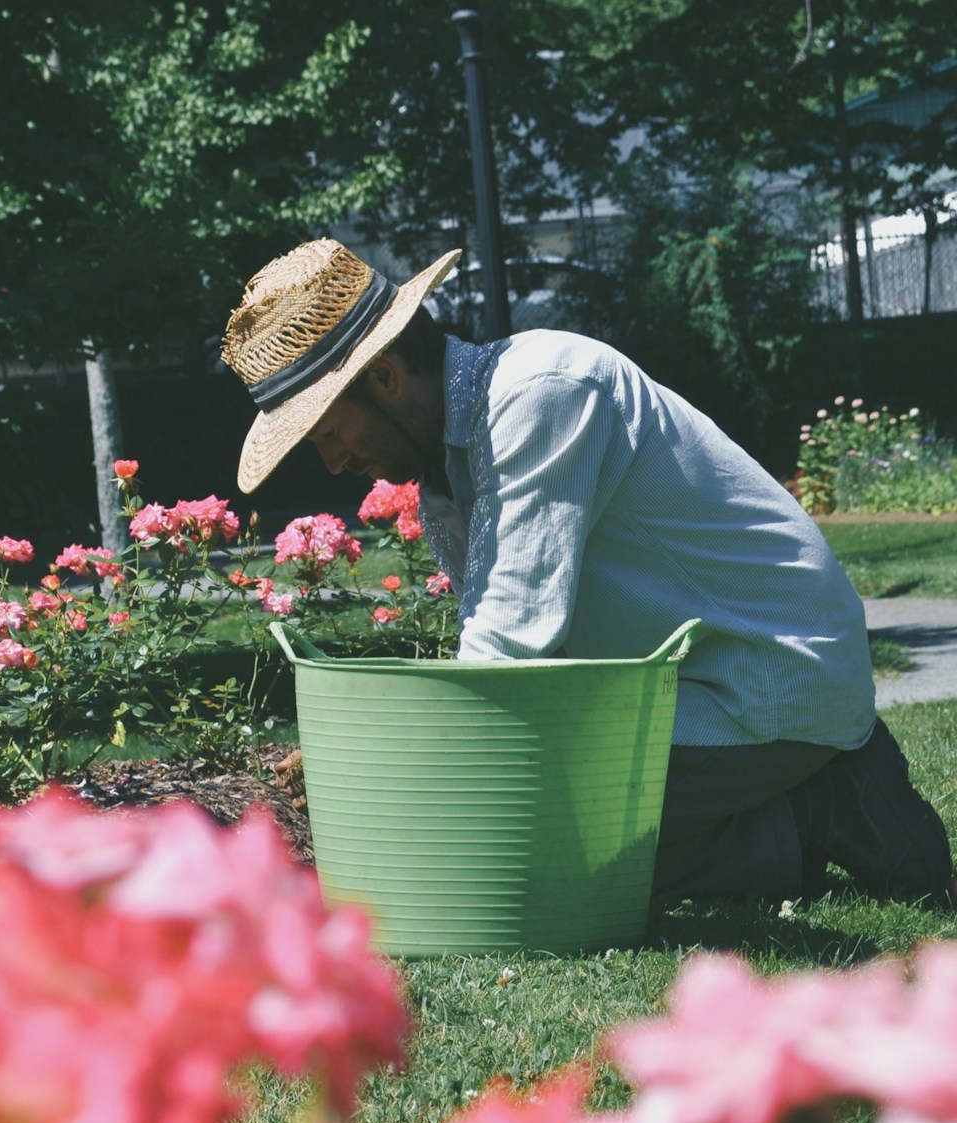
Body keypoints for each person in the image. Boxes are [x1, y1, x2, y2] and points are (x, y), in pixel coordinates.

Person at [219, 237, 953, 903]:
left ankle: (817, 799)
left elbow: (507, 653)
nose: (333, 462)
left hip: (769, 675)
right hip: (681, 683)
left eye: (326, 432)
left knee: (508, 856)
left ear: (382, 377)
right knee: (511, 849)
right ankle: (793, 825)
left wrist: (371, 769)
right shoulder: (447, 459)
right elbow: (509, 669)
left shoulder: (544, 395)